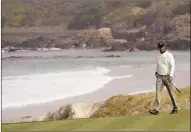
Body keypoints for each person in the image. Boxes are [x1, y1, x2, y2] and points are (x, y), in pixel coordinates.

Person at [149, 42, 178, 115]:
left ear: (165, 47)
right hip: (159, 77)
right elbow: (158, 65)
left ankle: (175, 108)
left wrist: (171, 75)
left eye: (162, 46)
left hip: (167, 77)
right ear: (158, 48)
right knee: (158, 93)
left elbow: (172, 66)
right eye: (160, 47)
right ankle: (155, 109)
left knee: (171, 93)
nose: (161, 48)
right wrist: (156, 72)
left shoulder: (169, 55)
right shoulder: (158, 56)